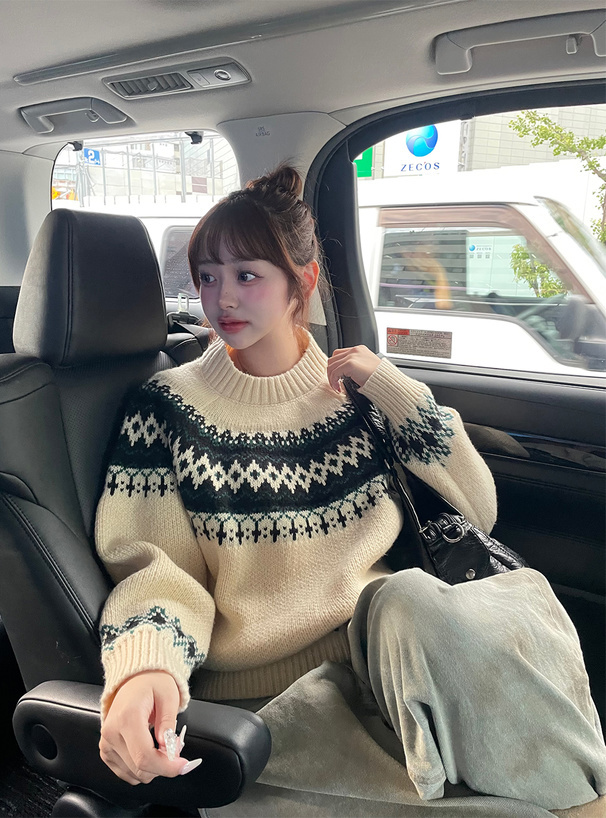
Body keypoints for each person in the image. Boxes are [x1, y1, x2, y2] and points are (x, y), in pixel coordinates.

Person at [95, 166, 606, 810]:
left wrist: (392, 388)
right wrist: (146, 667)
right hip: (268, 697)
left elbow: (478, 510)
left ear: (302, 284)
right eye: (207, 275)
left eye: (247, 275)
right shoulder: (166, 407)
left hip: (396, 661)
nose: (221, 298)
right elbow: (159, 573)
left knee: (409, 596)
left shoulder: (358, 394)